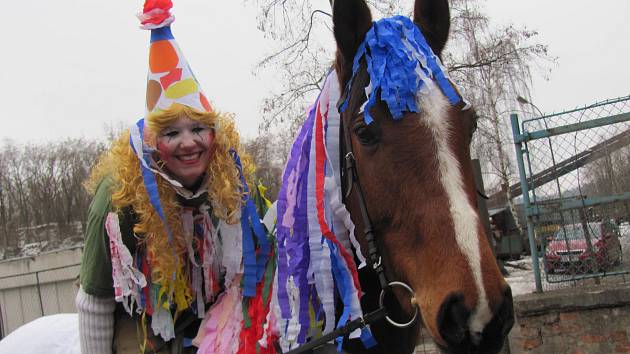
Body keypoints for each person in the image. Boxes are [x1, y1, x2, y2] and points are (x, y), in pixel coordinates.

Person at [75, 1, 276, 353]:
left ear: (216, 133)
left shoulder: (233, 181)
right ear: (152, 140)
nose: (189, 143)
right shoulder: (117, 198)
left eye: (199, 128)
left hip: (217, 310)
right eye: (172, 133)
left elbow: (268, 244)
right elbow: (94, 301)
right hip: (140, 322)